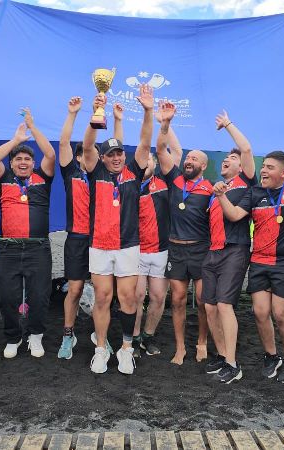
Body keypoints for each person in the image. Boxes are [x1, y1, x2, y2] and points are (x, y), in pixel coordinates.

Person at [214, 150, 284, 385]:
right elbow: (235, 215)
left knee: (280, 312)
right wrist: (221, 196)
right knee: (259, 312)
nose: (264, 170)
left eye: (269, 167)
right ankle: (271, 356)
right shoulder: (255, 192)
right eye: (263, 166)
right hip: (259, 259)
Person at [81, 84, 153, 375]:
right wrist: (94, 115)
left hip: (127, 245)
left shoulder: (133, 173)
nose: (116, 157)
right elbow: (87, 146)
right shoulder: (95, 170)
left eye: (120, 153)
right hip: (99, 244)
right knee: (101, 298)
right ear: (103, 157)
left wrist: (148, 111)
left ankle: (126, 349)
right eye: (111, 154)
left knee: (127, 298)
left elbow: (146, 144)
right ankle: (101, 348)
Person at [0, 107, 55, 359]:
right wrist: (15, 141)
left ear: (33, 164)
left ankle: (35, 337)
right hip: (9, 248)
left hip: (38, 247)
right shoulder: (3, 178)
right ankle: (13, 338)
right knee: (7, 296)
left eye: (27, 159)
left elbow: (50, 153)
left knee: (39, 296)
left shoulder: (42, 178)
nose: (23, 162)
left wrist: (33, 128)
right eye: (18, 159)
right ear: (12, 164)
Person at [156, 102, 215, 366]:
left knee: (202, 301)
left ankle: (202, 342)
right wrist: (165, 125)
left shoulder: (211, 189)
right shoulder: (175, 179)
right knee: (177, 300)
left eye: (194, 159)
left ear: (203, 166)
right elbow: (160, 149)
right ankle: (180, 347)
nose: (189, 161)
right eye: (188, 158)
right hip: (176, 250)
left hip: (200, 250)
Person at [200, 110, 256, 384]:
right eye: (225, 158)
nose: (227, 160)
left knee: (224, 305)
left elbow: (235, 216)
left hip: (235, 249)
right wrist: (218, 193)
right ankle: (223, 356)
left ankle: (233, 364)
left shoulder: (246, 183)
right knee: (209, 306)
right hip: (213, 251)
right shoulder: (217, 189)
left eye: (232, 159)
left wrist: (228, 124)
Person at [133, 108, 182, 358]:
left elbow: (176, 151)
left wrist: (165, 124)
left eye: (151, 159)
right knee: (137, 295)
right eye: (144, 159)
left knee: (158, 297)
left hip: (162, 250)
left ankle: (147, 337)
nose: (147, 162)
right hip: (137, 251)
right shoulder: (130, 185)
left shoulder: (165, 180)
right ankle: (131, 338)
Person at [55, 96, 96, 360]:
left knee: (105, 293)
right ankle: (68, 335)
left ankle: (99, 336)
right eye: (87, 154)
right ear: (79, 157)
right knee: (75, 289)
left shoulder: (103, 176)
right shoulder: (71, 174)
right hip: (77, 239)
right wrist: (73, 114)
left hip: (102, 241)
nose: (92, 158)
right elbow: (63, 143)